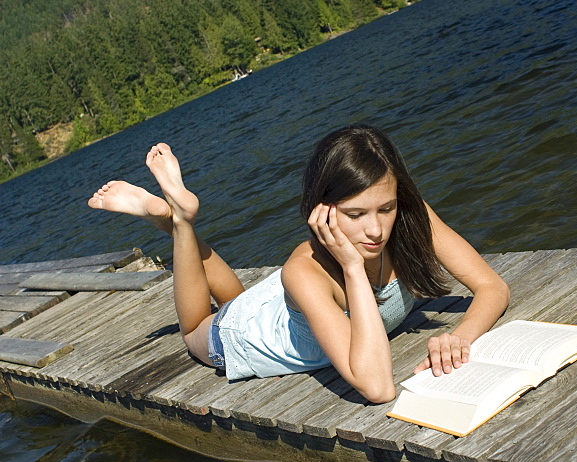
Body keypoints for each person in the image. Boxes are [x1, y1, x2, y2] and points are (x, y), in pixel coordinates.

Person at [88, 125, 509, 404]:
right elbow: (378, 386)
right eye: (356, 214)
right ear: (321, 210)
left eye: (386, 208)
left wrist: (461, 335)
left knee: (236, 295)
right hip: (239, 335)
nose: (377, 230)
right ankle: (178, 219)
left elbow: (493, 288)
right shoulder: (305, 270)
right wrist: (350, 266)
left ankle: (169, 216)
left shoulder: (411, 217)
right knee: (198, 326)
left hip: (290, 302)